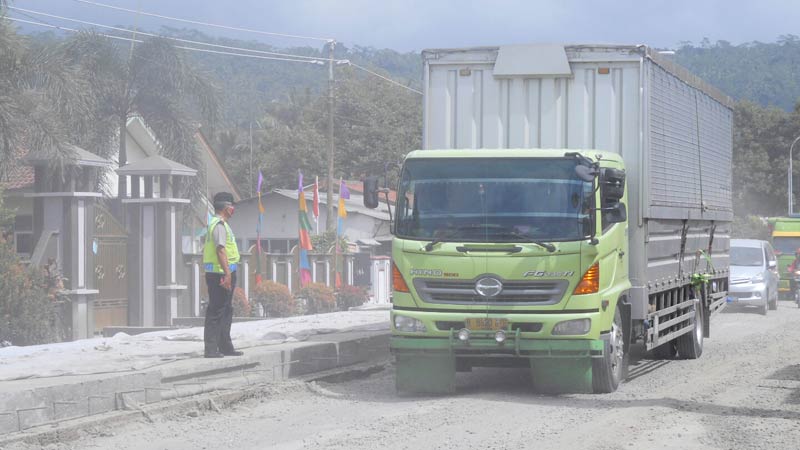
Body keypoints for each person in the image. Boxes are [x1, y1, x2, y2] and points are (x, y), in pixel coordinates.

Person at [202, 192, 243, 358]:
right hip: (220, 274)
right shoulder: (219, 225)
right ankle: (211, 350)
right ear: (227, 208)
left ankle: (225, 346)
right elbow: (220, 250)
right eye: (232, 206)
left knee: (226, 310)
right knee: (216, 311)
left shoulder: (221, 224)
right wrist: (227, 274)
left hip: (225, 272)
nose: (233, 210)